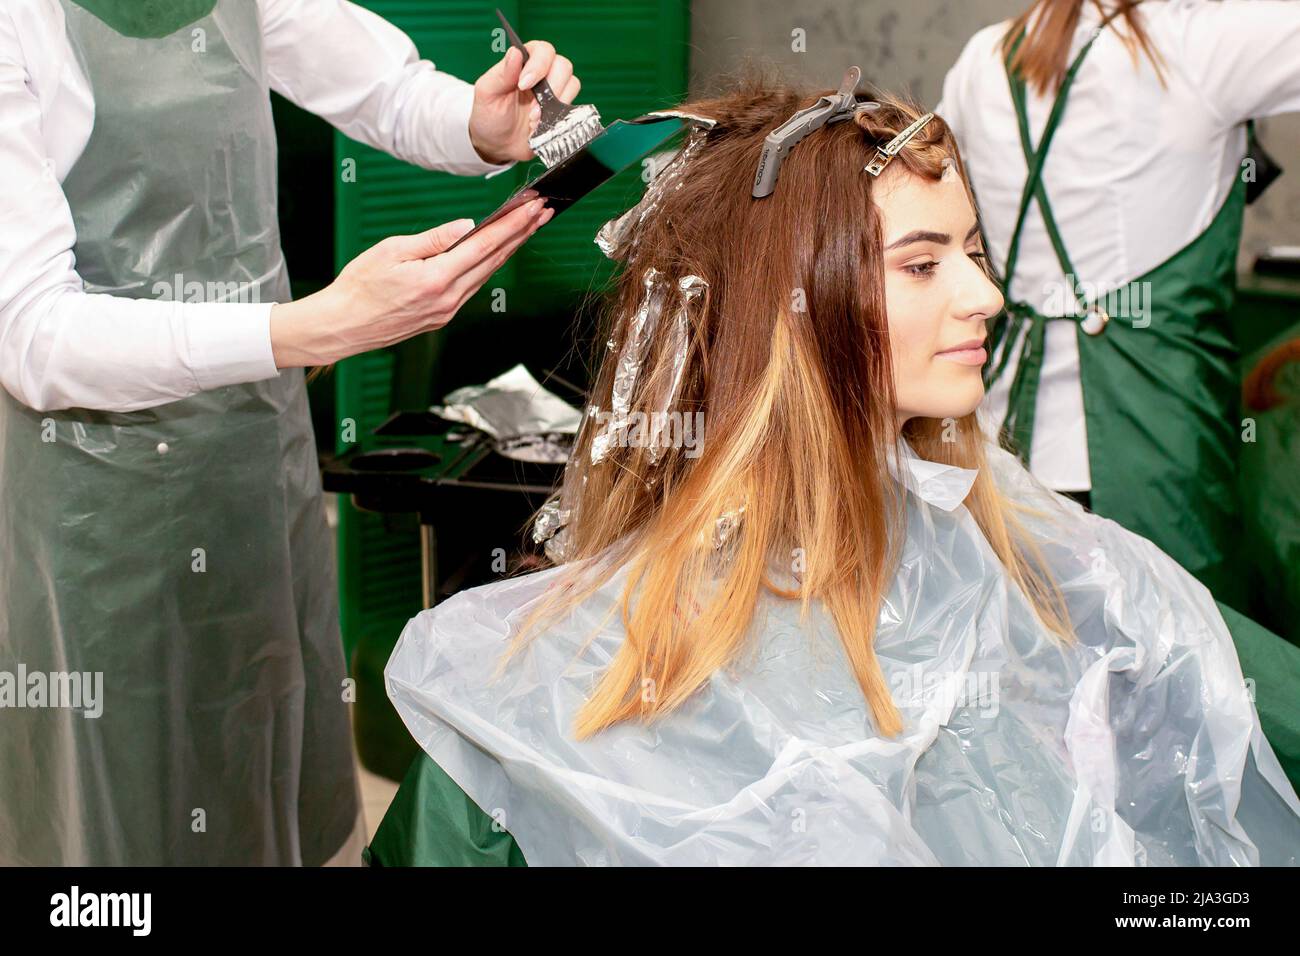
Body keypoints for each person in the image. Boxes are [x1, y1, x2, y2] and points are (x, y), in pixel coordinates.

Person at [365, 81, 1300, 866]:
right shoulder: (556, 688)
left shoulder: (1010, 540)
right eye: (924, 264)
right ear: (795, 312)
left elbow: (1237, 697)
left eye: (972, 251)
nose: (987, 295)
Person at [0, 0, 577, 865]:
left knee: (264, 714)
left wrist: (477, 123)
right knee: (133, 775)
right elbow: (33, 333)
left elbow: (384, 88)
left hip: (253, 446)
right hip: (99, 488)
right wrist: (303, 331)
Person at [936, 0, 1300, 616]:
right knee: (1187, 674)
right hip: (1159, 451)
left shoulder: (984, 60)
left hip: (1002, 449)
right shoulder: (1195, 48)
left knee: (1036, 673)